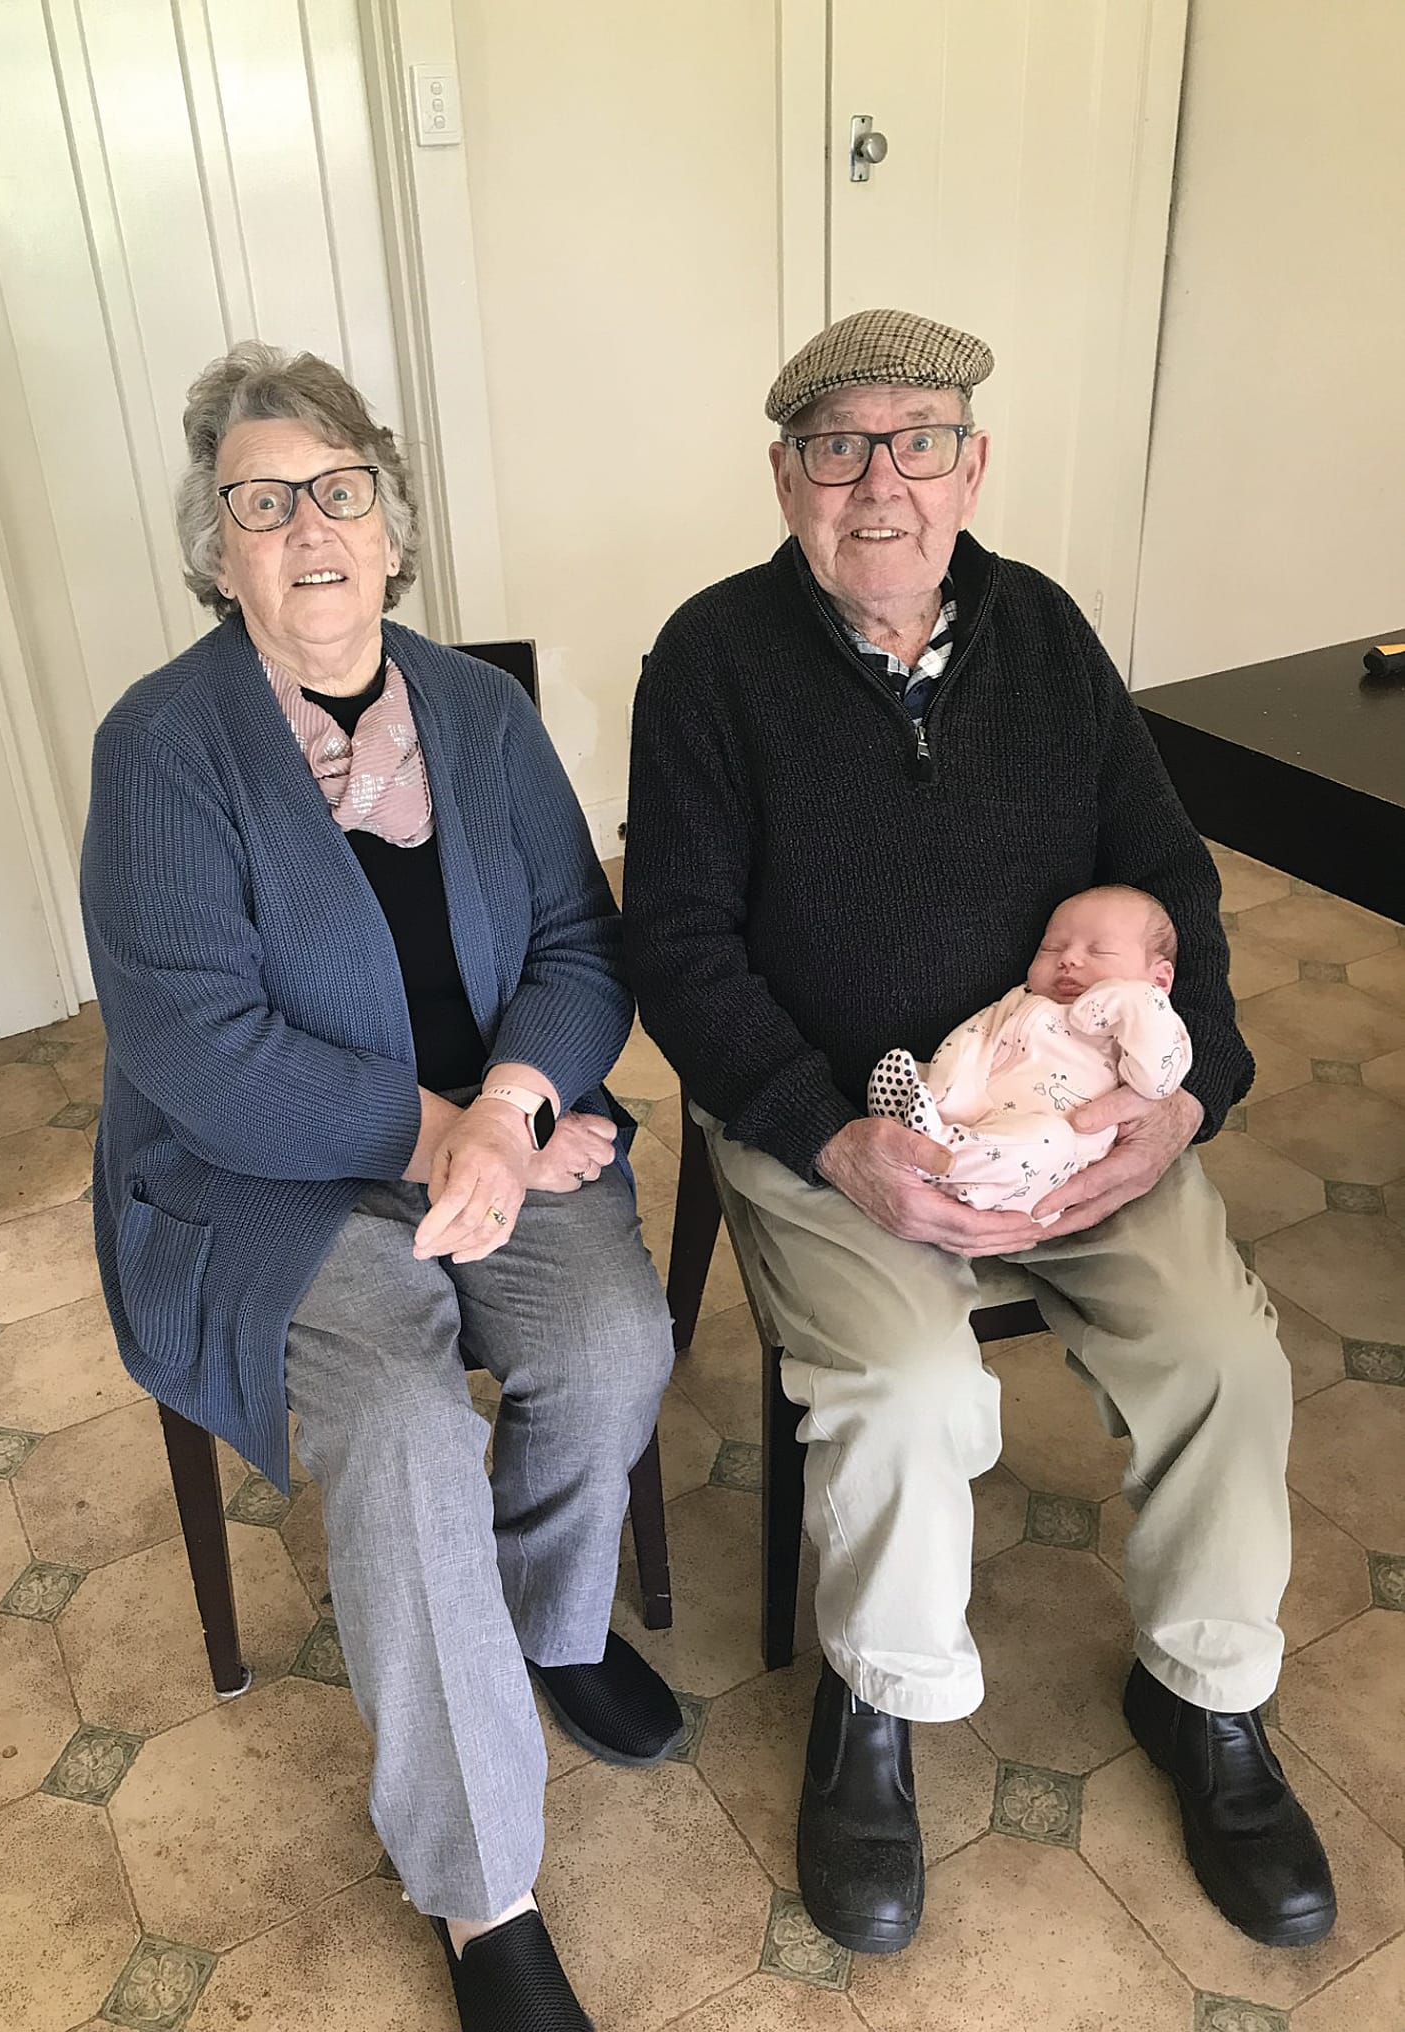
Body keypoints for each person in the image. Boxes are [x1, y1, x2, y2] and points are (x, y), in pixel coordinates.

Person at [623, 308, 1334, 1958]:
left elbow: (1166, 888)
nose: (878, 482)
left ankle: (1204, 1694)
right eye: (835, 444)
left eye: (915, 439)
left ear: (970, 462)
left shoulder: (1047, 639)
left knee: (1222, 1358)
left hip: (1076, 1115)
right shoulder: (712, 659)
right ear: (784, 473)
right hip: (840, 1126)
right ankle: (872, 1706)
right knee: (908, 1385)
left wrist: (1176, 1102)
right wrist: (825, 1131)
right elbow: (673, 943)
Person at [82, 341, 679, 2032]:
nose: (306, 528)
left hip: (497, 1128)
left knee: (611, 1342)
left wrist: (504, 1105)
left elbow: (576, 942)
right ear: (214, 551)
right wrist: (442, 1136)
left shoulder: (479, 713)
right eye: (259, 504)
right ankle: (482, 1889)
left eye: (337, 490)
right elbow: (197, 1049)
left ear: (393, 531)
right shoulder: (163, 749)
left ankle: (545, 1630)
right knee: (409, 1427)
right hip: (264, 1176)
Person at [867, 885, 1193, 1217]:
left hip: (1038, 1171)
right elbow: (974, 1039)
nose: (1068, 959)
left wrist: (1139, 1000)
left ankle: (938, 1158)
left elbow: (1157, 1082)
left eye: (1099, 951)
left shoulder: (1148, 1023)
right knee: (936, 1068)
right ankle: (919, 1124)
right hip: (971, 1117)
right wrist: (944, 1090)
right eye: (1051, 948)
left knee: (1049, 1140)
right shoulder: (1021, 1001)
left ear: (1160, 978)